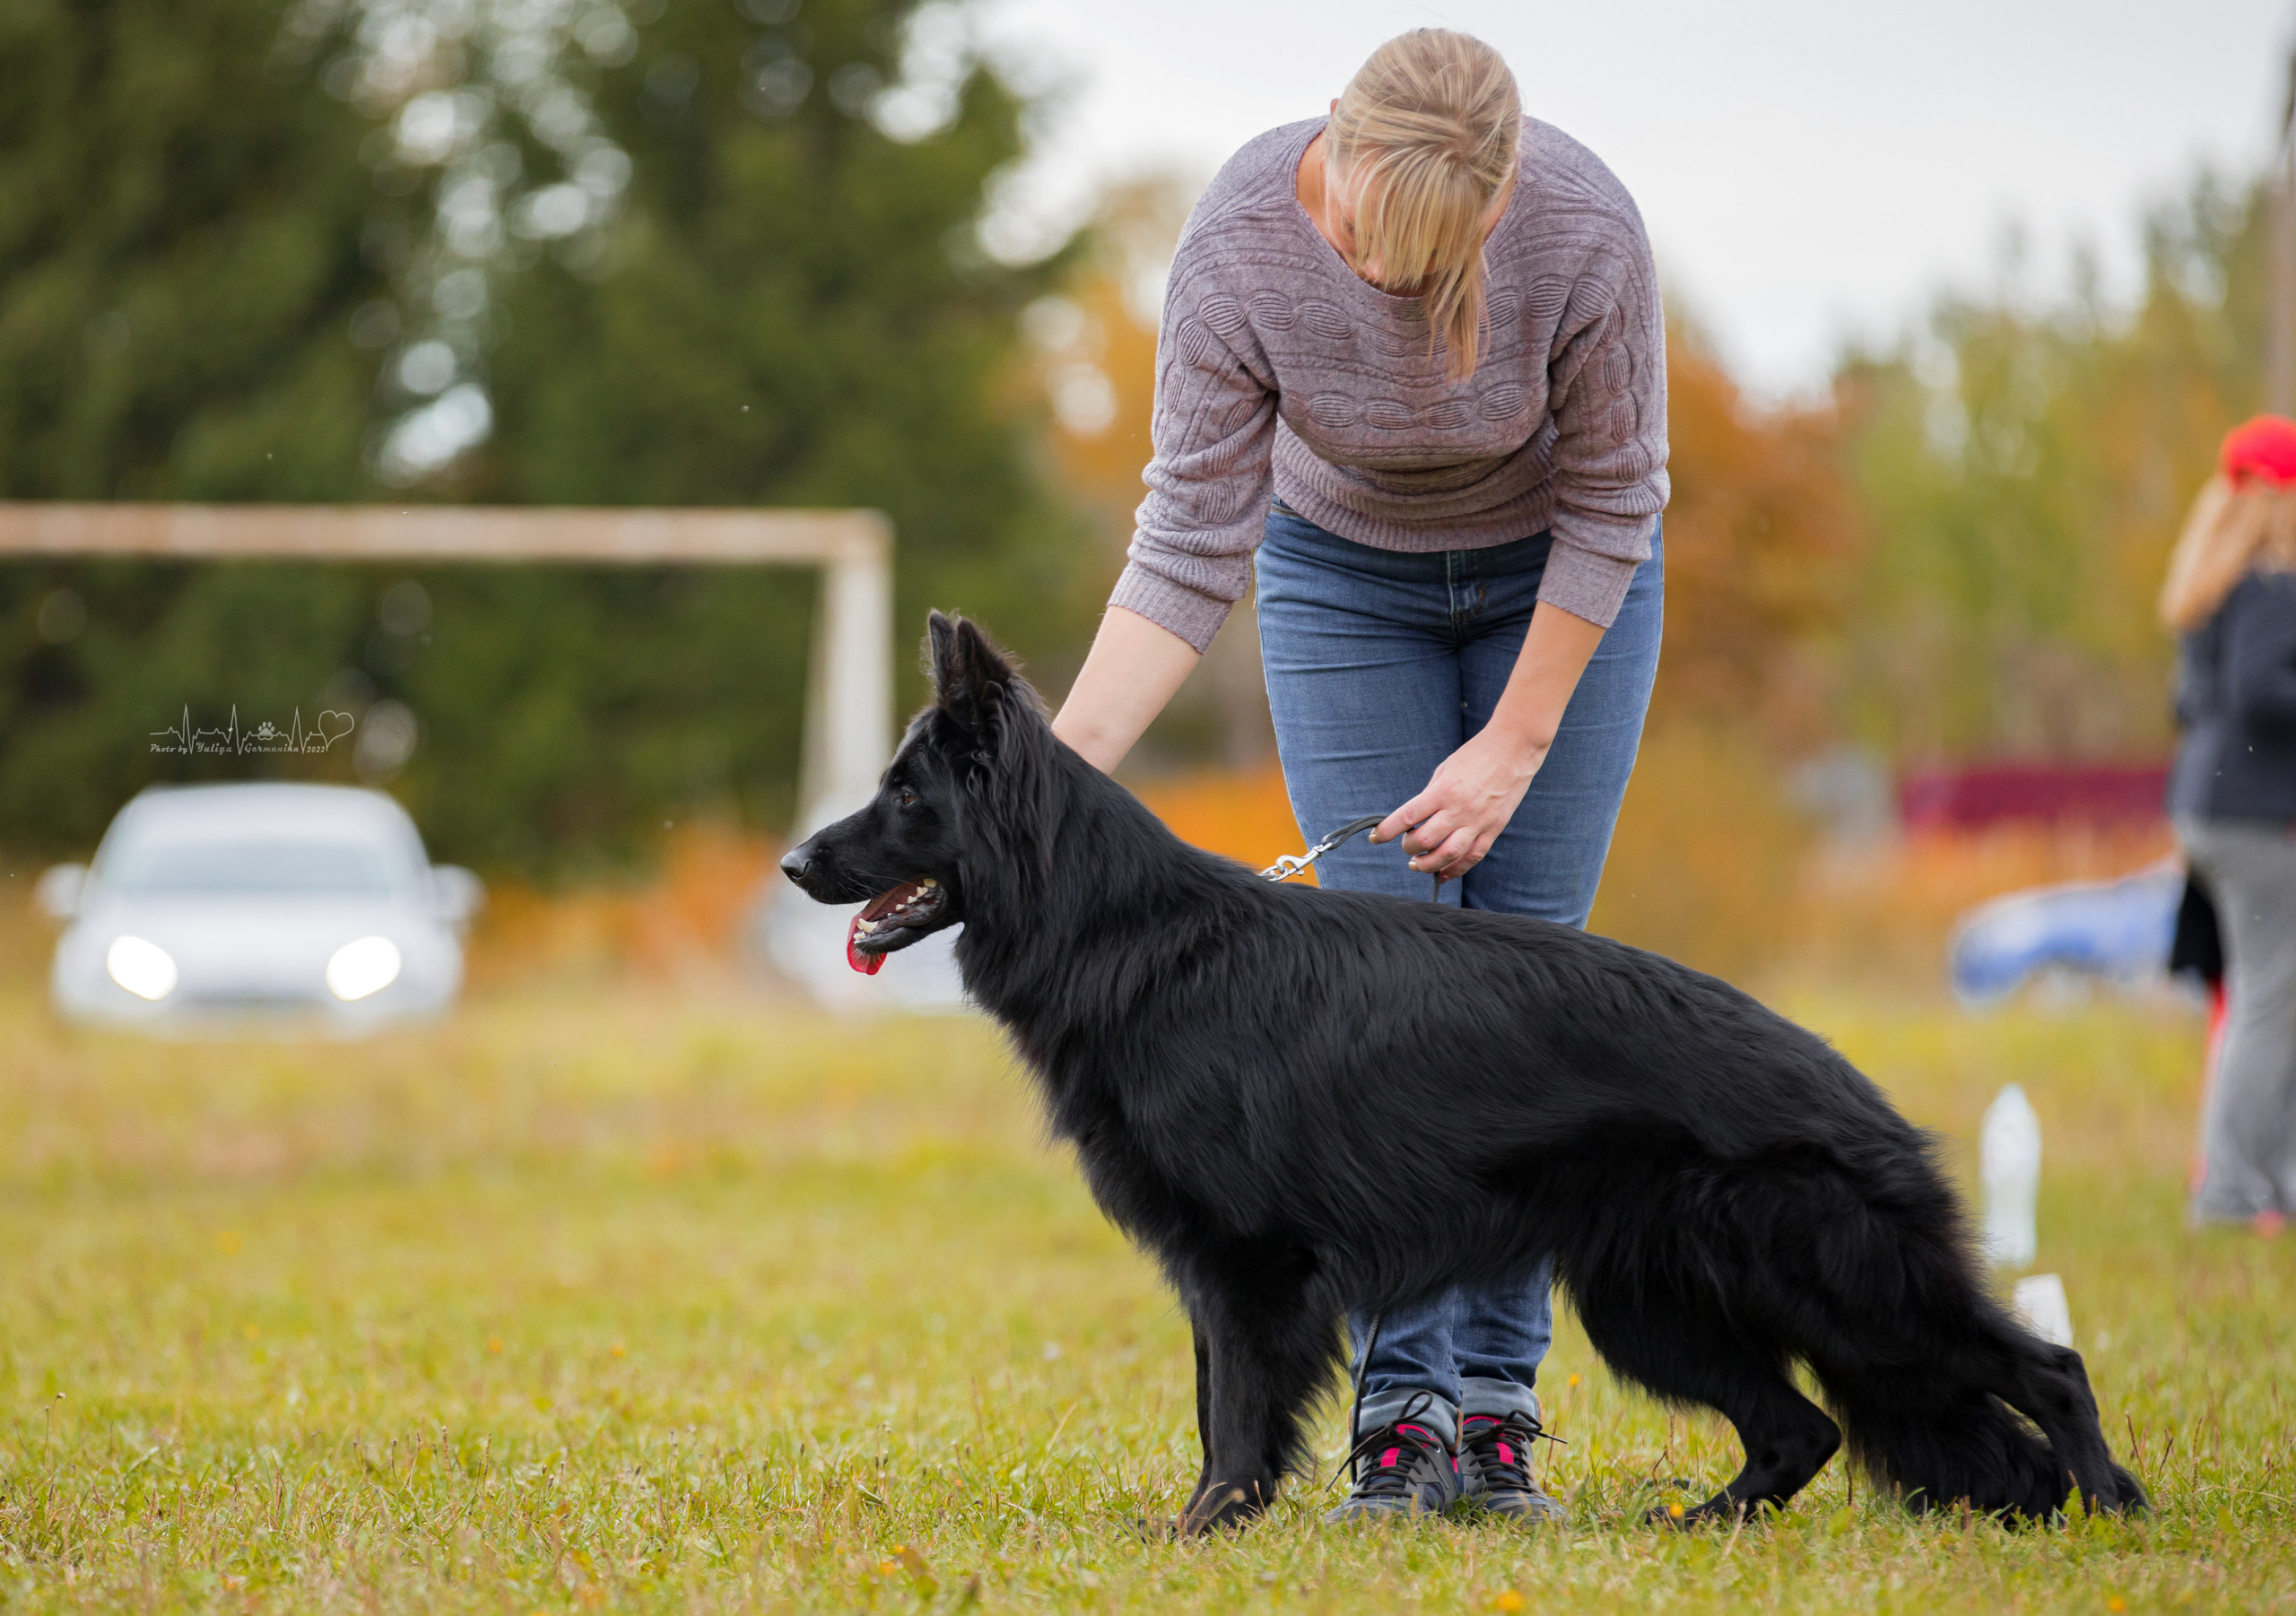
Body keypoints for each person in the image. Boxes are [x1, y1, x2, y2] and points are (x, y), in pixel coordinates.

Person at [1048, 30, 1667, 1522]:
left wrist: (1515, 743)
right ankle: (1401, 1407)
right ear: (1333, 139)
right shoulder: (1241, 242)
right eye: (1363, 240)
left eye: (1425, 258)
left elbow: (1614, 498)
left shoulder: (1584, 230)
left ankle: (1497, 1407)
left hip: (1560, 585)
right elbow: (1190, 540)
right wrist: (1045, 783)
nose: (1388, 283)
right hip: (1341, 584)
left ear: (1501, 191)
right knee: (1372, 1003)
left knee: (1523, 991)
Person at [2162, 413, 2296, 1238]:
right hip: (2256, 821)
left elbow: (2188, 703)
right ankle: (2234, 1192)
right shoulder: (2272, 584)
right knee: (2268, 1001)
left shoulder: (2210, 582)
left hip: (2209, 814)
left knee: (2262, 999)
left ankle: (2266, 1180)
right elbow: (2260, 692)